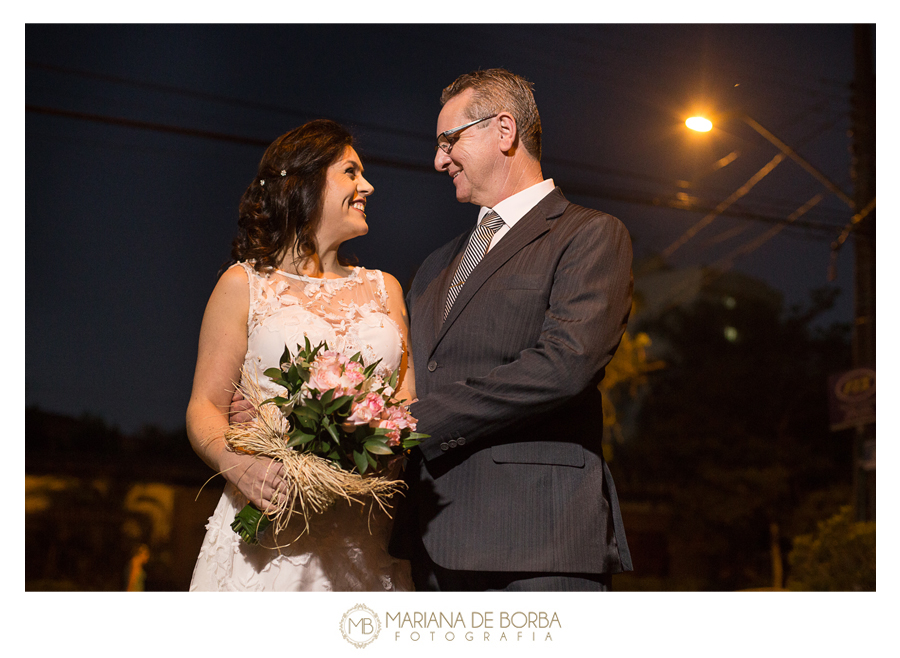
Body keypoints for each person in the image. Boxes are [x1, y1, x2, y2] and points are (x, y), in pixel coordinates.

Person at [388, 69, 634, 591]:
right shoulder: (434, 265)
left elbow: (565, 365)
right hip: (428, 542)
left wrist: (419, 420)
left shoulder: (589, 235)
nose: (438, 160)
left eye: (448, 140)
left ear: (504, 131)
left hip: (535, 539)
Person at [186, 119, 415, 591]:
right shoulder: (243, 285)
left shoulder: (384, 289)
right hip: (269, 529)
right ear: (305, 182)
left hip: (361, 537)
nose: (367, 186)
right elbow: (205, 406)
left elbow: (405, 408)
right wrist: (241, 465)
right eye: (351, 172)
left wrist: (382, 451)